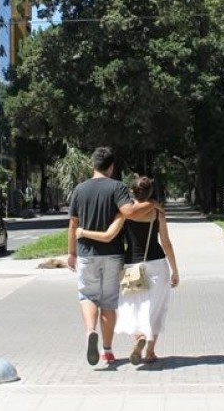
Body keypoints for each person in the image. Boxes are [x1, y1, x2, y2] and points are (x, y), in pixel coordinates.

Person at [67, 147, 157, 366]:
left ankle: (91, 331)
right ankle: (107, 351)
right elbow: (129, 212)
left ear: (93, 165)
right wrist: (153, 204)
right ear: (111, 167)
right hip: (114, 253)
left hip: (87, 253)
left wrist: (71, 253)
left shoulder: (79, 189)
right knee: (108, 302)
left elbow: (73, 224)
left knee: (87, 296)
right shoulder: (117, 187)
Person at [78, 176, 179, 365]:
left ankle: (139, 337)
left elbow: (108, 235)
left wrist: (82, 232)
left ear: (133, 192)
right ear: (150, 192)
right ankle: (150, 352)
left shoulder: (125, 214)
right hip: (157, 264)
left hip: (132, 265)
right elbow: (166, 243)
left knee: (134, 307)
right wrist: (175, 271)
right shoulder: (158, 213)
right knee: (155, 308)